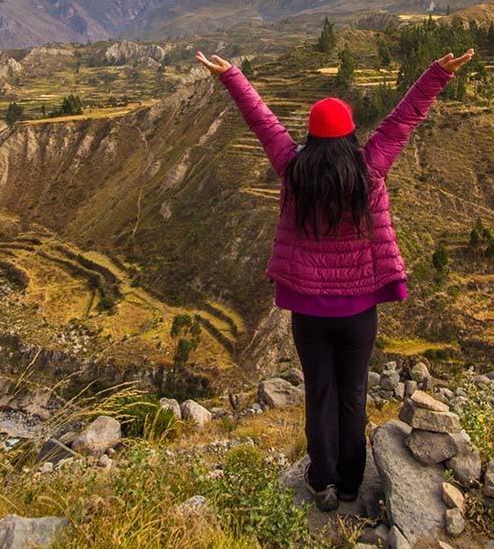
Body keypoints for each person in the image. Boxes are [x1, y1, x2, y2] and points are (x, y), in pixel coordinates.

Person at [196, 45, 474, 512]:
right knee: (353, 393)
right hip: (359, 312)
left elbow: (262, 122)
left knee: (318, 393)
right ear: (349, 135)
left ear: (310, 135)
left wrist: (232, 76)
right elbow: (403, 120)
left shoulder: (293, 169)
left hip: (308, 312)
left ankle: (321, 479)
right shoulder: (369, 169)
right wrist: (436, 74)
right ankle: (349, 482)